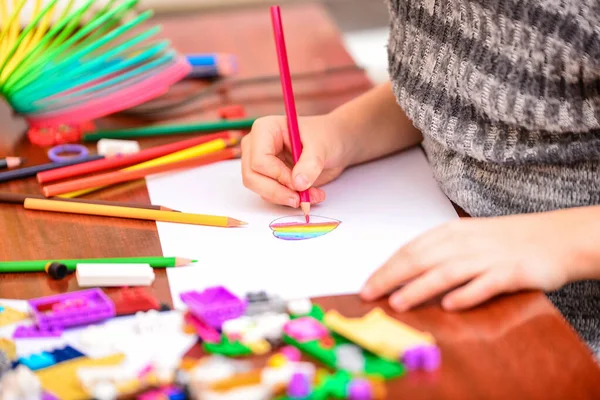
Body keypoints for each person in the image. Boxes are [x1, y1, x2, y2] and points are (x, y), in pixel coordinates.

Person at [241, 0, 600, 357]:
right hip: (451, 285)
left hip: (566, 333)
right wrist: (347, 131)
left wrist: (552, 240)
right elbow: (464, 87)